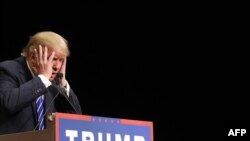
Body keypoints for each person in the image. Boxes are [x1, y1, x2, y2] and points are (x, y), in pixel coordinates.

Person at [0, 31, 82, 135]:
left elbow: (77, 119)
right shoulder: (8, 70)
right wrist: (42, 79)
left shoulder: (55, 82)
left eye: (61, 60)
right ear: (33, 57)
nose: (57, 66)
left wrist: (63, 84)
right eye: (53, 59)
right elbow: (7, 104)